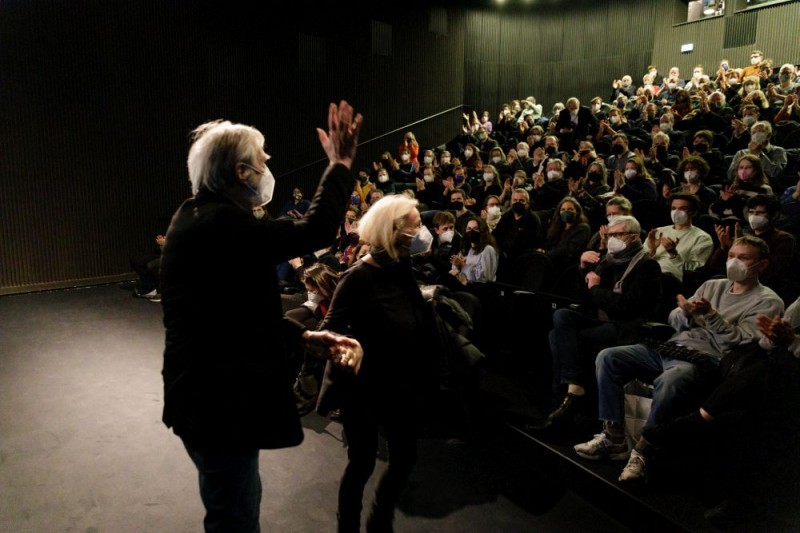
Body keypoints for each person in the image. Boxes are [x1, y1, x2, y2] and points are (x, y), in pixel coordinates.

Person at [159, 101, 365, 532]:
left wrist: (307, 340)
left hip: (207, 400)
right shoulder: (220, 225)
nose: (268, 161)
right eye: (261, 157)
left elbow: (234, 320)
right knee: (234, 518)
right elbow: (315, 230)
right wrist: (341, 163)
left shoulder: (202, 217)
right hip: (216, 407)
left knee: (234, 507)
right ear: (240, 172)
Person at [573, 235, 783, 485]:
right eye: (731, 256)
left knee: (672, 379)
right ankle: (613, 435)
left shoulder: (768, 301)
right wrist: (684, 312)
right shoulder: (712, 285)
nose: (734, 262)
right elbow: (675, 319)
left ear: (762, 265)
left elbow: (738, 343)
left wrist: (711, 315)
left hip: (706, 358)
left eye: (743, 258)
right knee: (609, 357)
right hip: (673, 346)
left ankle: (644, 449)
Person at [316, 194, 439, 533]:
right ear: (394, 228)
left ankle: (380, 519)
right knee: (362, 464)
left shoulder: (402, 267)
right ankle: (349, 527)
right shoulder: (357, 277)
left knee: (405, 457)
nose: (421, 231)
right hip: (364, 388)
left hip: (400, 384)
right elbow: (330, 331)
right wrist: (347, 348)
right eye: (416, 224)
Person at [534, 215, 661, 430]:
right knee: (561, 316)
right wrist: (583, 269)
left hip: (623, 326)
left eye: (617, 234)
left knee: (557, 337)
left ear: (633, 237)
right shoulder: (606, 260)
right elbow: (583, 299)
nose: (612, 239)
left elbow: (626, 307)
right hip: (597, 319)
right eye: (610, 234)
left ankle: (566, 400)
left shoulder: (647, 266)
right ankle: (574, 391)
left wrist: (595, 289)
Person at [449, 216, 498, 286]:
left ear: (482, 231)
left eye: (476, 229)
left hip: (480, 289)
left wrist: (463, 266)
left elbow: (484, 278)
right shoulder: (466, 248)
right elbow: (454, 269)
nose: (471, 232)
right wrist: (458, 265)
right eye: (468, 229)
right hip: (463, 285)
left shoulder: (488, 249)